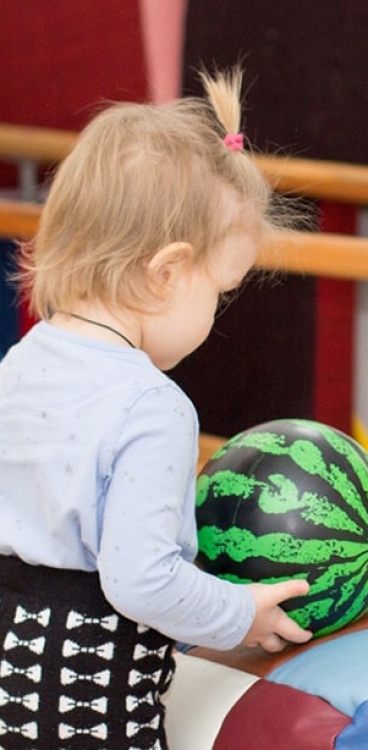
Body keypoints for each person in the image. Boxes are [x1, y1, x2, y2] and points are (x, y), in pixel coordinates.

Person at [0, 69, 311, 748]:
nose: (215, 314)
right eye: (219, 292)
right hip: (80, 695)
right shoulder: (151, 405)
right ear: (167, 272)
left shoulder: (22, 360)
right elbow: (141, 581)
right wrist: (238, 613)